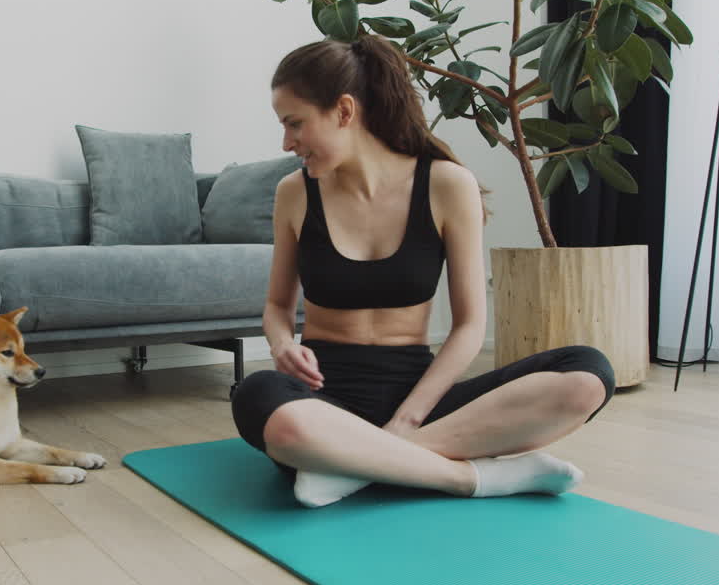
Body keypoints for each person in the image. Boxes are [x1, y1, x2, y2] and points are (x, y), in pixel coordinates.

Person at [230, 34, 615, 508]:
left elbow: (470, 325)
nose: (286, 142)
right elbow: (276, 307)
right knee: (257, 398)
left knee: (587, 375)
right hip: (322, 402)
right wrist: (282, 343)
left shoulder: (448, 184)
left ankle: (353, 467)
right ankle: (476, 478)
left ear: (344, 111)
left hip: (422, 401)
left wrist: (408, 420)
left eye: (295, 124)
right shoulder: (294, 192)